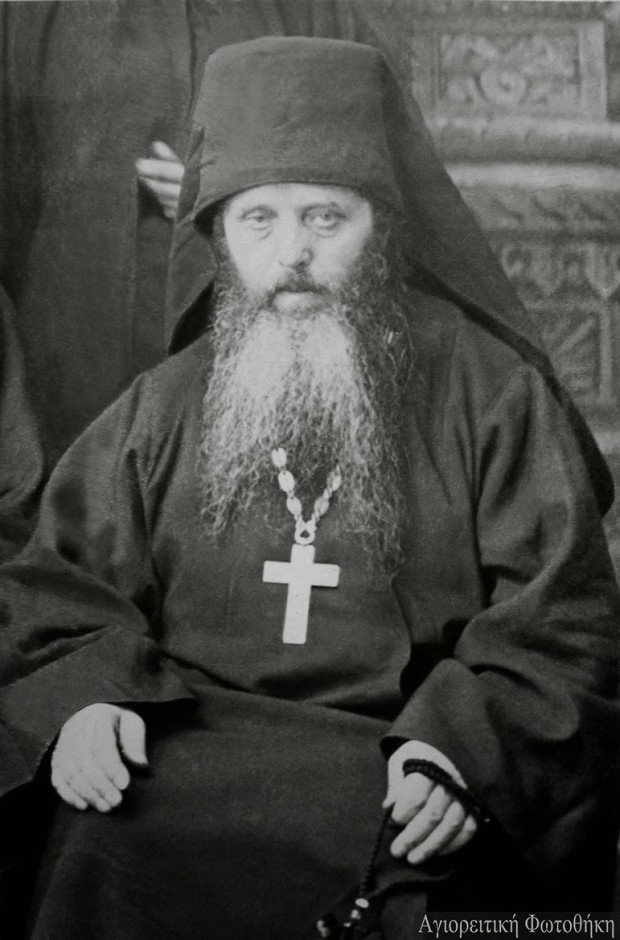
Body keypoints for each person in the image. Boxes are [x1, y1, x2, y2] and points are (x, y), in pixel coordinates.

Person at [0, 36, 619, 939]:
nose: (291, 252)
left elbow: (562, 621)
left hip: (402, 761)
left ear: (383, 226)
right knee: (95, 843)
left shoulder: (491, 394)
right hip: (184, 757)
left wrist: (464, 752)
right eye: (259, 219)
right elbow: (59, 589)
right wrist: (88, 699)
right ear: (219, 235)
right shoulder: (163, 404)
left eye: (326, 217)